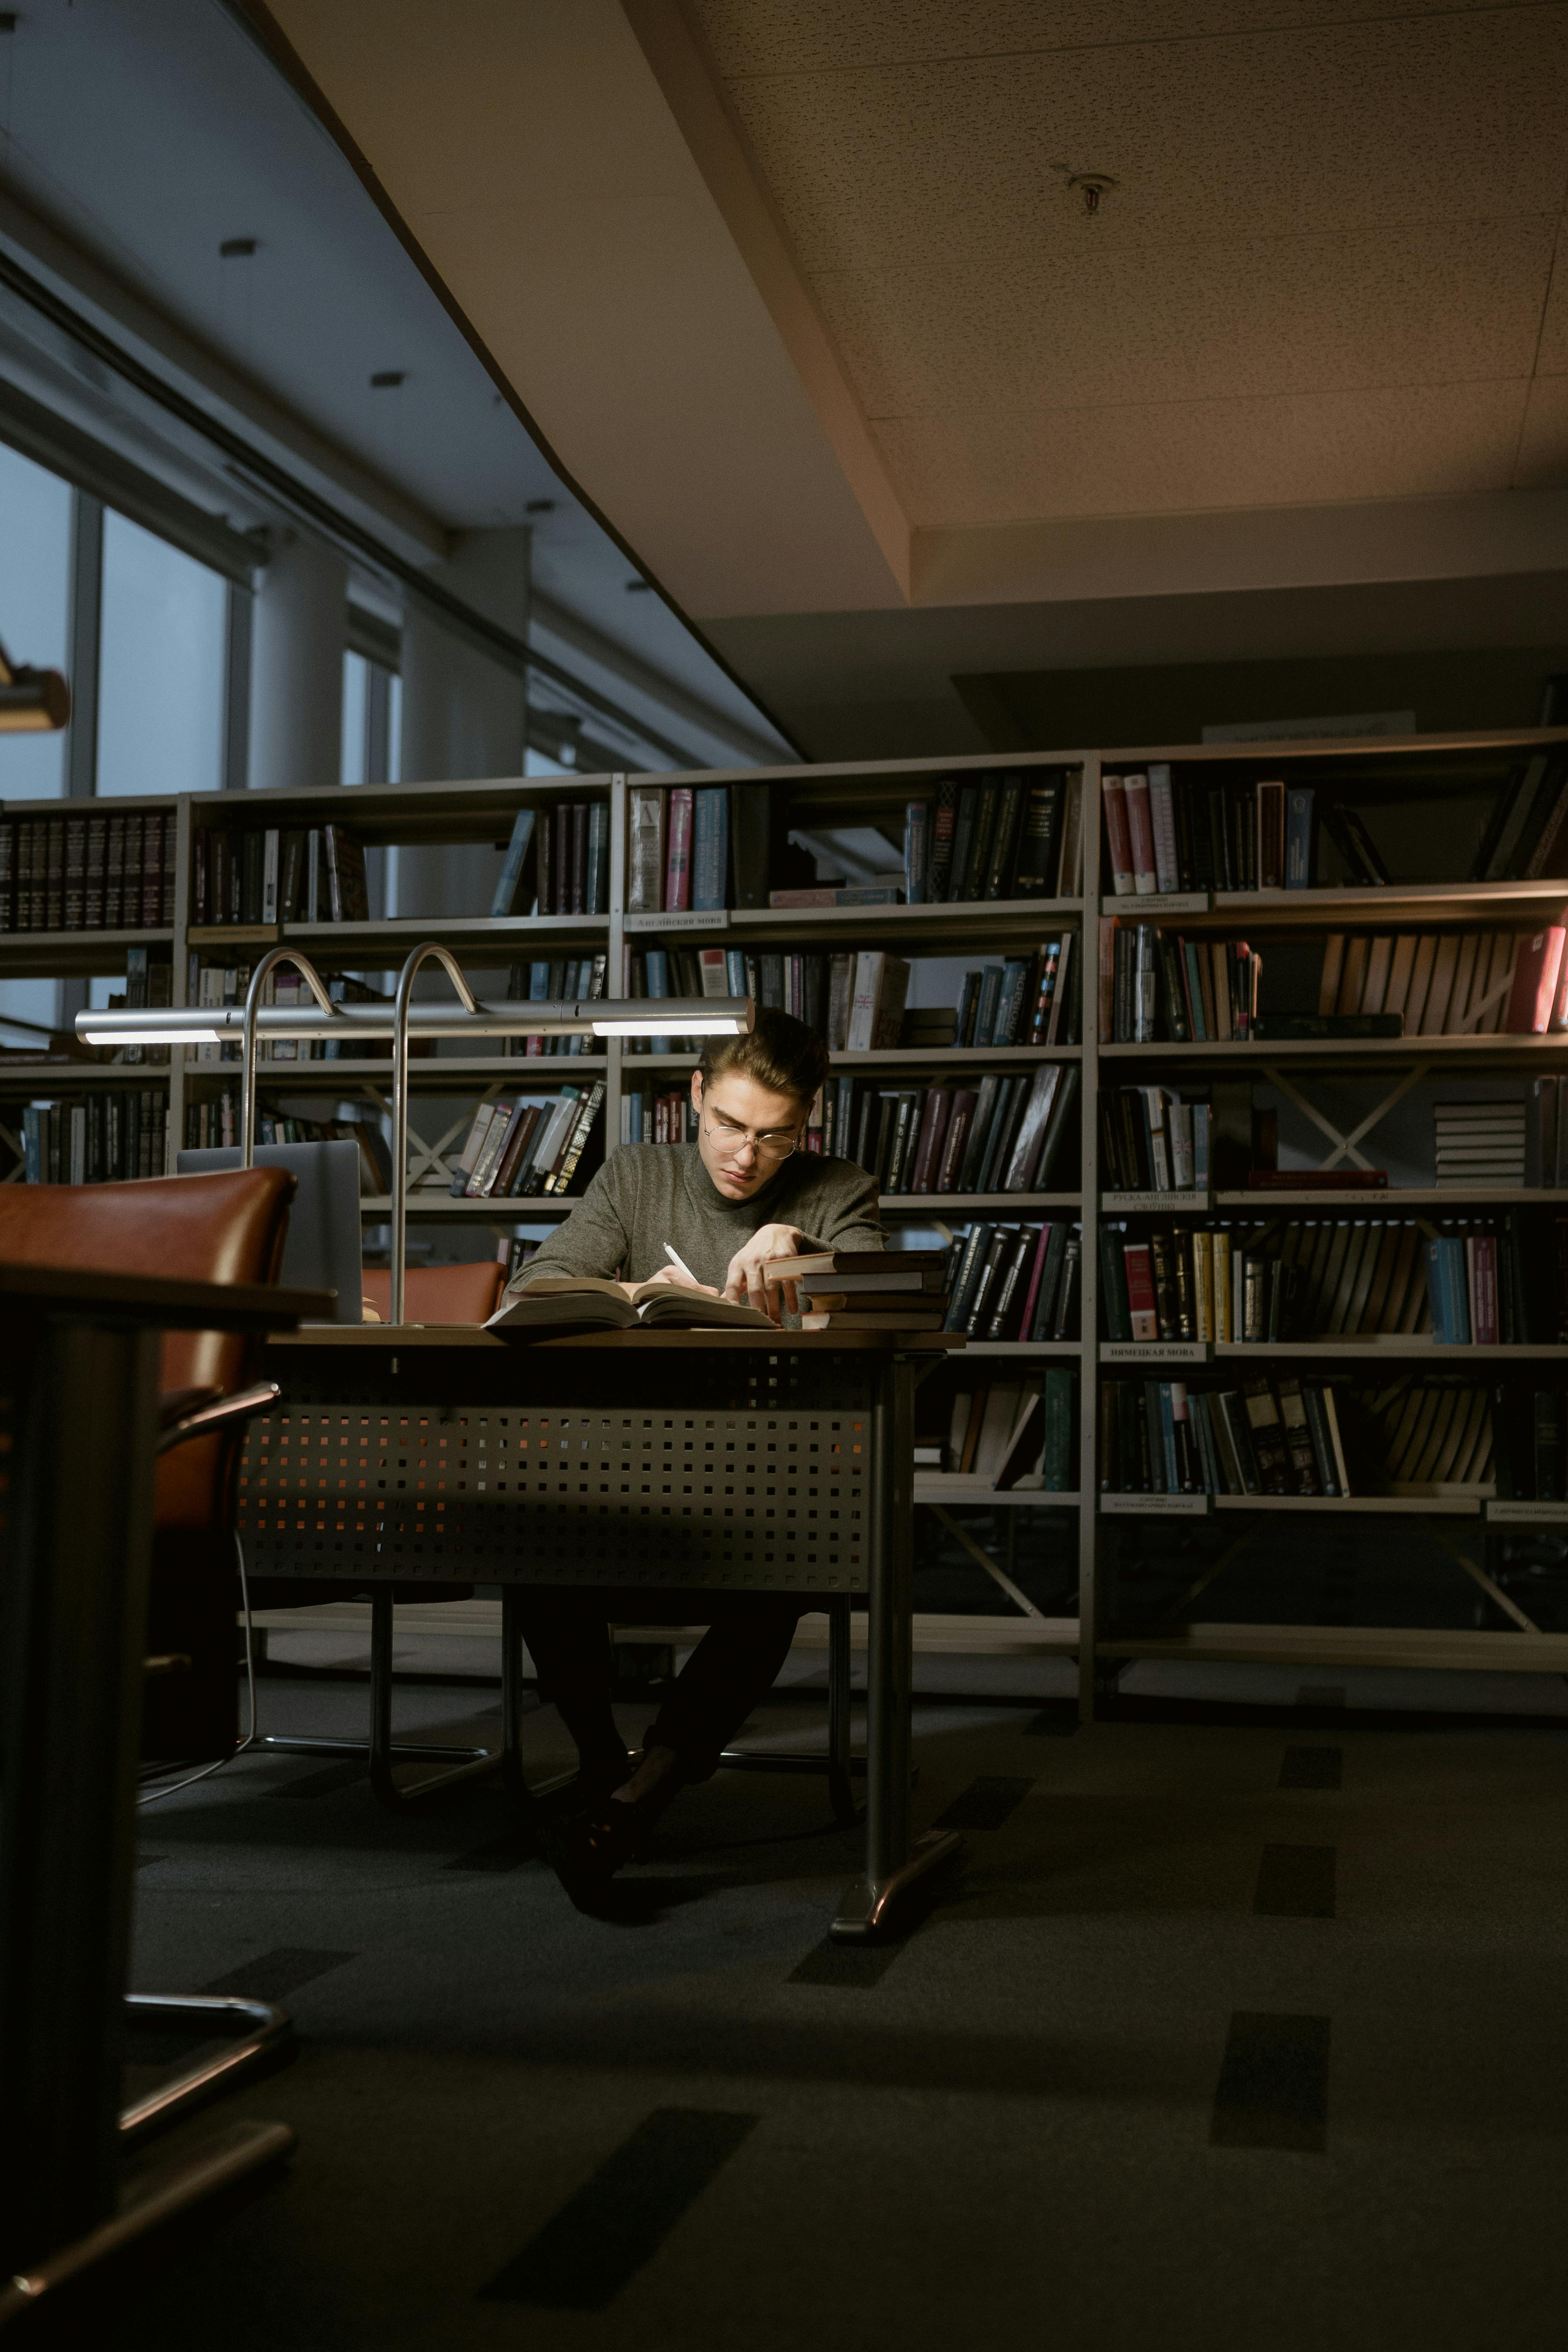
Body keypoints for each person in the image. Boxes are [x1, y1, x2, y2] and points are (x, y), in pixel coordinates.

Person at [505, 1005, 882, 1908]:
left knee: (793, 1562)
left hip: (767, 1487)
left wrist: (806, 1253)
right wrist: (630, 1290)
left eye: (774, 1137)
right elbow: (536, 1286)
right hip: (625, 1474)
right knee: (527, 1536)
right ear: (694, 1097)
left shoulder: (838, 1189)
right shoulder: (636, 1175)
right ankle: (606, 1768)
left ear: (805, 1128)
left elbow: (881, 1306)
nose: (745, 1157)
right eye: (728, 1127)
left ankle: (645, 1787)